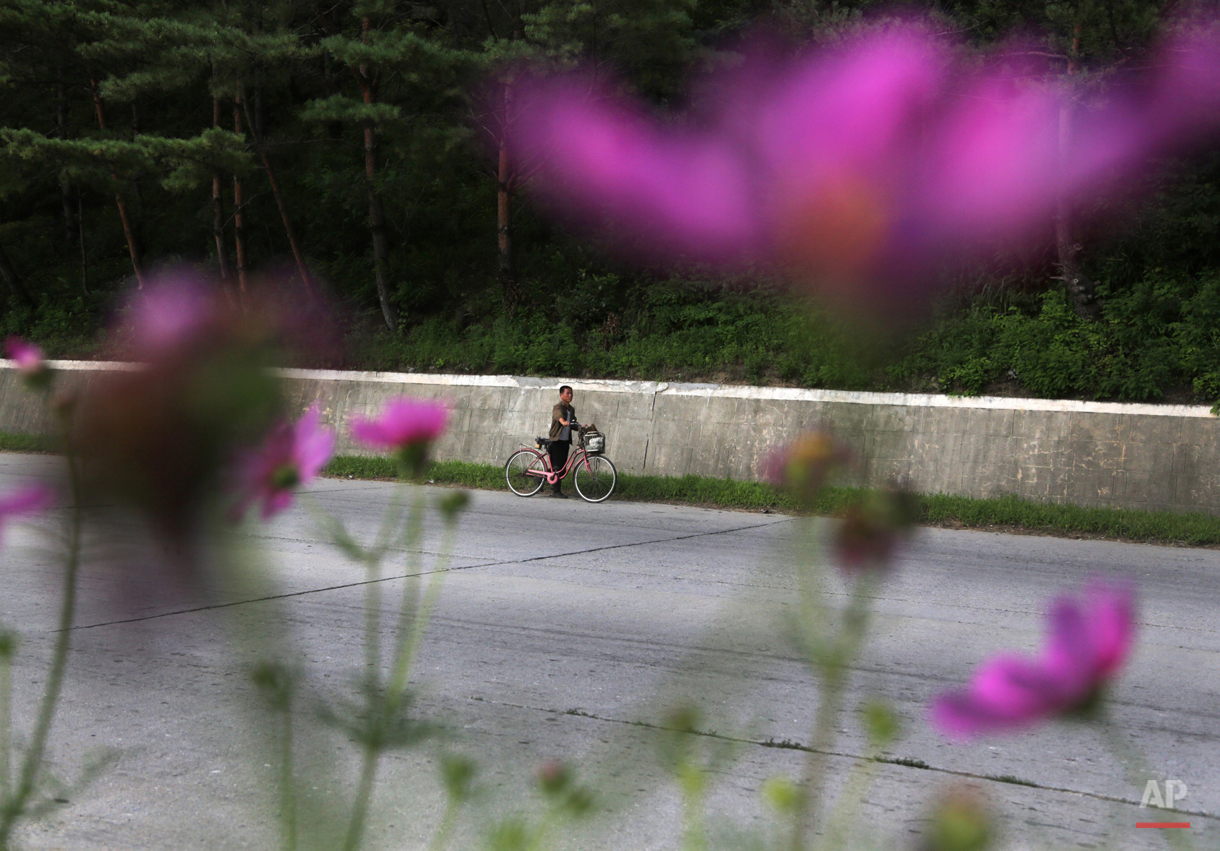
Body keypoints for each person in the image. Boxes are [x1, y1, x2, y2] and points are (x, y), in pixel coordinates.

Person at [547, 385, 576, 497]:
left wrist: (580, 427)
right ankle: (556, 491)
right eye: (567, 393)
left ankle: (539, 478)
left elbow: (573, 422)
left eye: (571, 393)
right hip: (556, 440)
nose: (570, 395)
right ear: (561, 395)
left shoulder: (571, 409)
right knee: (557, 468)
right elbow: (558, 416)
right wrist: (563, 421)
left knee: (562, 468)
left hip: (565, 441)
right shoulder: (558, 407)